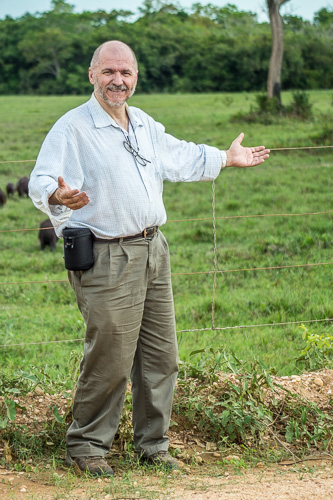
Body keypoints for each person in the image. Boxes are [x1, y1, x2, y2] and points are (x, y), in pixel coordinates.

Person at [29, 40, 269, 477]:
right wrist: (56, 195)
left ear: (136, 77)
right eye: (108, 72)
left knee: (161, 355)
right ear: (91, 75)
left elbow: (178, 156)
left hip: (153, 249)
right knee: (111, 356)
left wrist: (225, 158)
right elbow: (43, 178)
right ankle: (86, 447)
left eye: (126, 73)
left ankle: (153, 443)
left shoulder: (141, 123)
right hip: (106, 254)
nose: (118, 80)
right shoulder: (73, 128)